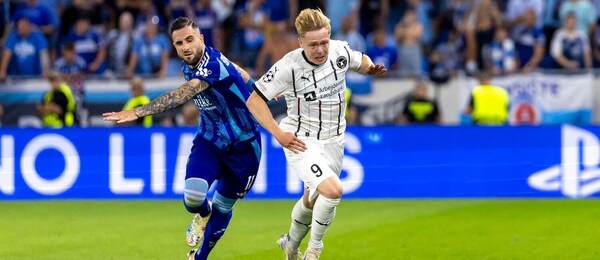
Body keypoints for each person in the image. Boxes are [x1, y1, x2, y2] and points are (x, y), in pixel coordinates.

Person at [102, 17, 261, 260]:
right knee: (193, 198)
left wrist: (137, 111)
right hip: (210, 138)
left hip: (244, 147)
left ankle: (200, 256)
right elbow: (239, 71)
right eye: (179, 43)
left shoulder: (211, 65)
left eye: (190, 39)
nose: (185, 46)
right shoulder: (191, 64)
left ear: (201, 39)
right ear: (174, 46)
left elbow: (182, 94)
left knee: (224, 206)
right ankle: (203, 214)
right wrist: (257, 85)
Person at [246, 8, 386, 260]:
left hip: (335, 139)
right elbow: (254, 100)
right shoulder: (288, 67)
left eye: (324, 42)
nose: (320, 49)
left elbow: (359, 59)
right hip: (302, 139)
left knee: (312, 200)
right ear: (300, 42)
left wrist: (370, 68)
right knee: (333, 190)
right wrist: (278, 133)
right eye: (313, 45)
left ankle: (290, 246)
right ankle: (314, 250)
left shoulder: (339, 51)